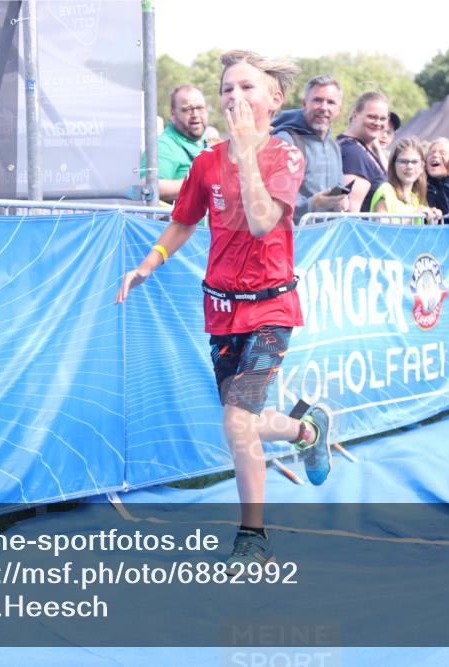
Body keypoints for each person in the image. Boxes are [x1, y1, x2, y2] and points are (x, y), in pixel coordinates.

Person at [115, 50, 332, 570]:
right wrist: (149, 262)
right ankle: (308, 430)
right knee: (245, 422)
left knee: (237, 422)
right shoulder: (205, 162)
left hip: (272, 308)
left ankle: (253, 536)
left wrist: (246, 153)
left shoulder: (284, 155)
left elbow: (261, 222)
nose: (234, 97)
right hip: (219, 310)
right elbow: (184, 220)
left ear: (274, 99)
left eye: (247, 88)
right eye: (227, 89)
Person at [271, 75, 349, 223]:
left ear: (339, 109)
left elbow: (339, 186)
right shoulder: (286, 141)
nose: (324, 107)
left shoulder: (334, 146)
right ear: (304, 104)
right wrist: (314, 204)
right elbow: (277, 200)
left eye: (331, 102)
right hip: (295, 239)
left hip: (326, 239)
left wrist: (342, 200)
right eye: (318, 100)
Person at [154, 84, 209, 203]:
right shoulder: (164, 145)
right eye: (187, 109)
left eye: (200, 108)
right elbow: (150, 187)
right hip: (176, 221)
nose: (195, 115)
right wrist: (204, 183)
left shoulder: (205, 141)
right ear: (173, 113)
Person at [337, 92, 389, 212]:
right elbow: (349, 211)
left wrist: (377, 149)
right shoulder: (353, 153)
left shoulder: (361, 148)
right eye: (372, 117)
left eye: (383, 119)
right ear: (355, 115)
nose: (377, 123)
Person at [369, 137, 430, 222]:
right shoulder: (386, 190)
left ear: (422, 167)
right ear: (393, 166)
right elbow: (381, 230)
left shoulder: (414, 199)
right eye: (403, 161)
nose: (409, 166)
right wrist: (413, 217)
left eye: (415, 162)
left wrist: (432, 217)